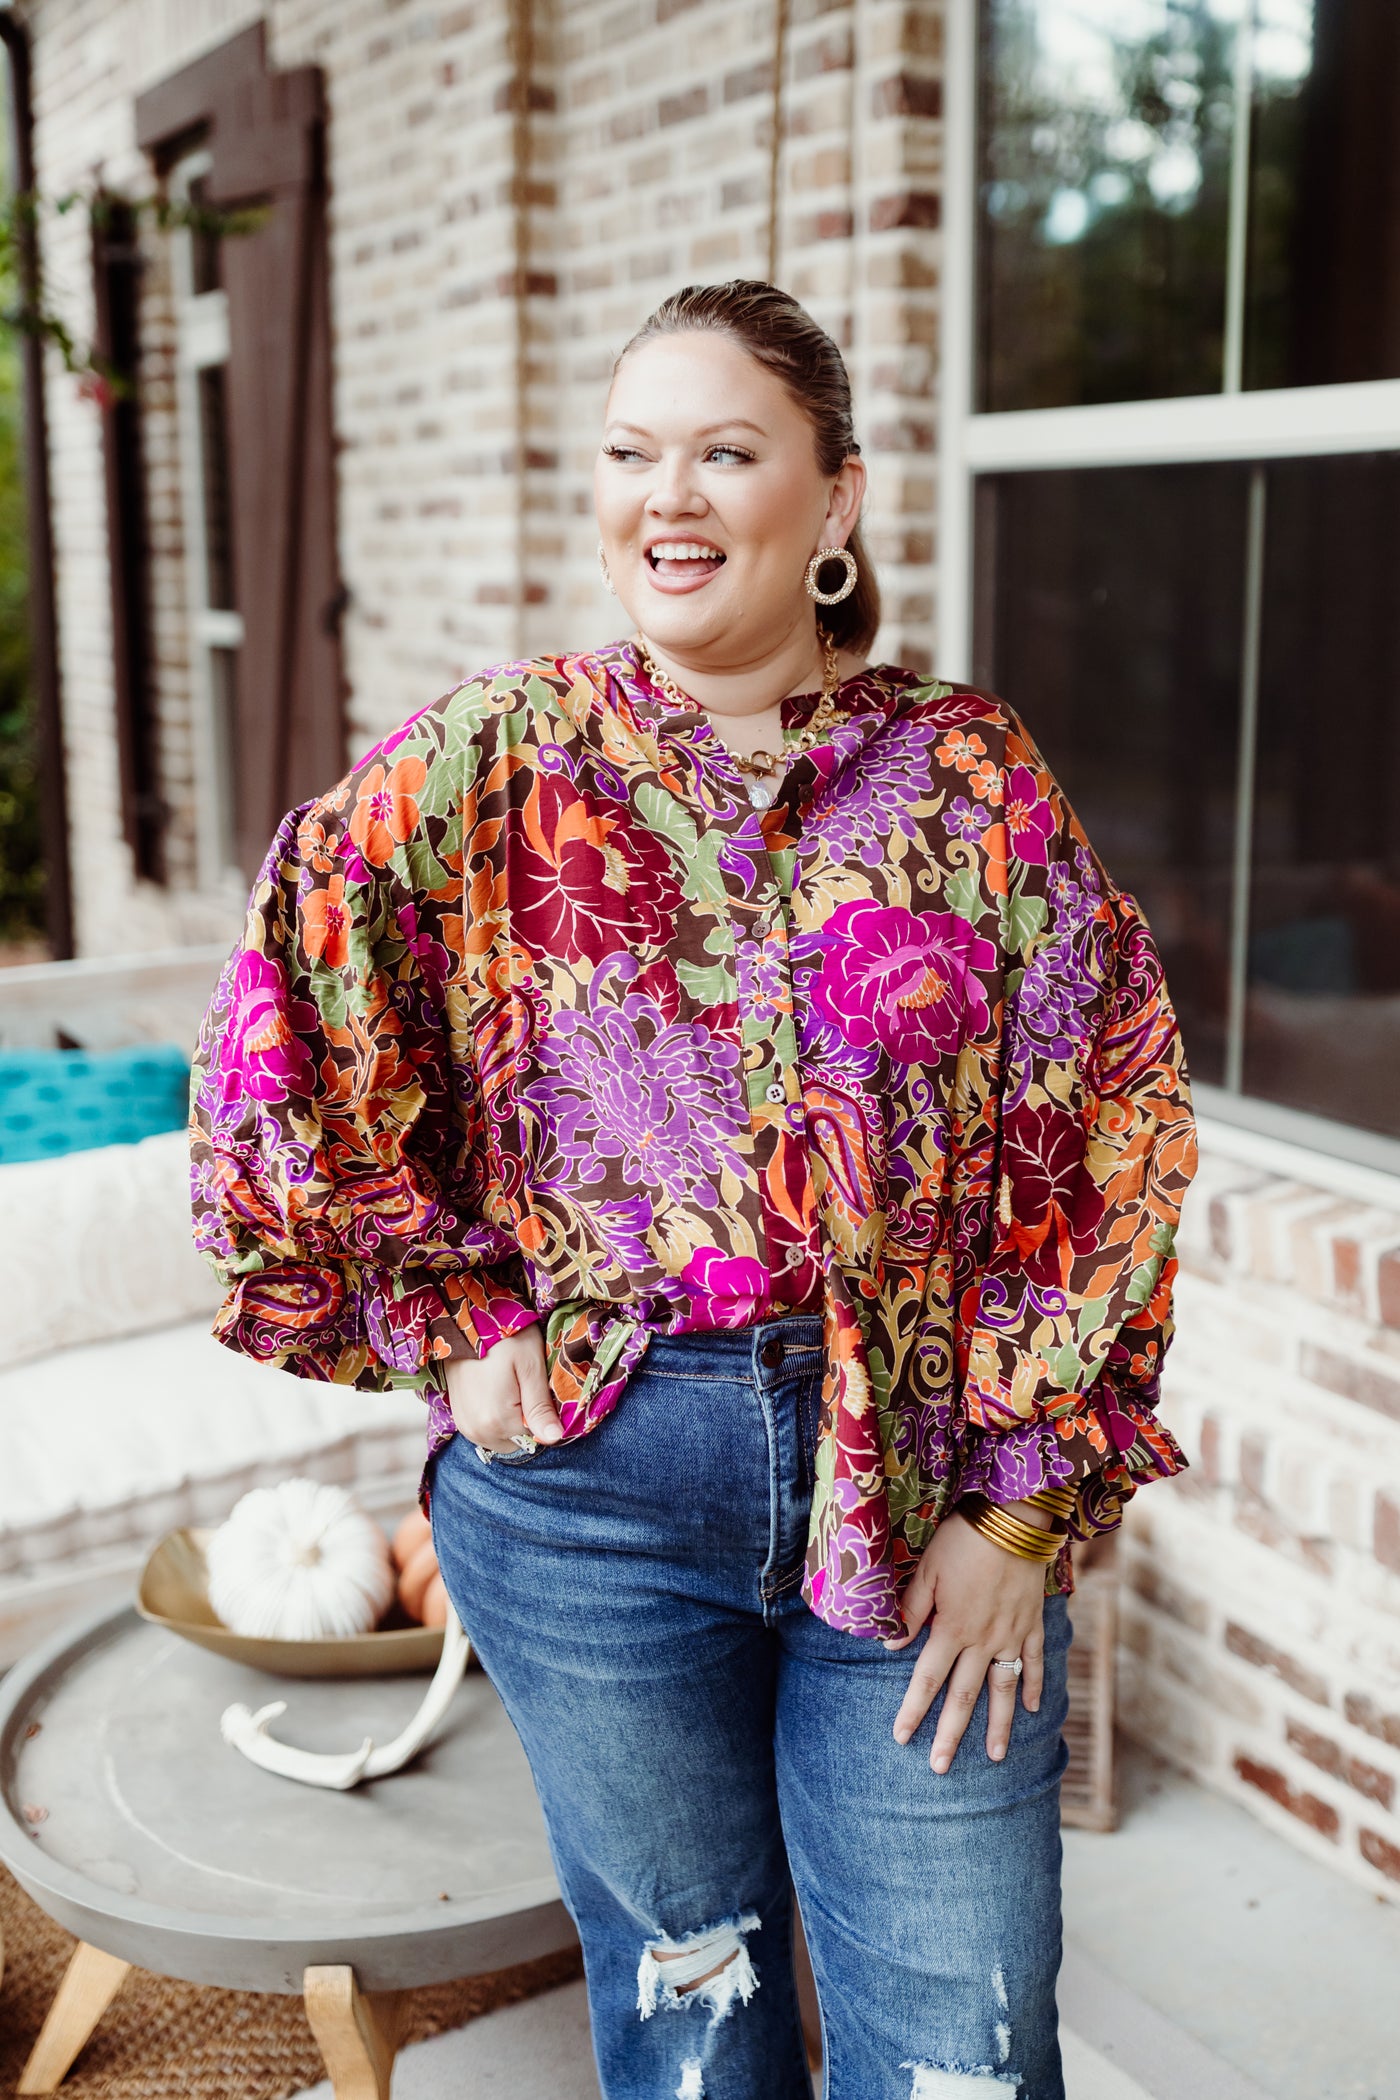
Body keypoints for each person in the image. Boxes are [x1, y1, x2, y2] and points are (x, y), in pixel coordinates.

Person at [190, 279, 1197, 2100]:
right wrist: (446, 1303)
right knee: (688, 2011)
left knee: (960, 2031)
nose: (670, 494)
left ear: (836, 499)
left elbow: (1103, 1118)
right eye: (633, 452)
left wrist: (1028, 1500)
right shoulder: (484, 766)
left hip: (922, 1479)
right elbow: (290, 1008)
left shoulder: (971, 783)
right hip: (590, 1492)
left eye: (726, 450)